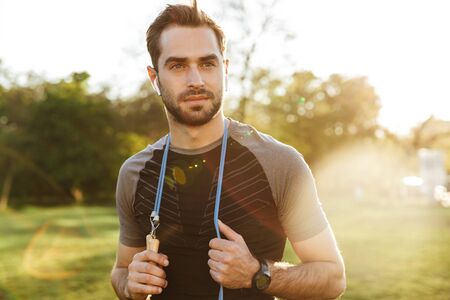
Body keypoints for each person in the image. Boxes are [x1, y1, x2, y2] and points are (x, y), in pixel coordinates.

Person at [110, 1, 346, 299]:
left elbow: (332, 277)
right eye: (178, 65)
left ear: (225, 69)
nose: (195, 80)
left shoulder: (280, 163)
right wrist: (130, 284)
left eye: (207, 63)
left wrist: (257, 273)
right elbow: (120, 271)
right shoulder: (134, 173)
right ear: (154, 77)